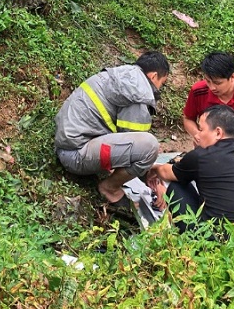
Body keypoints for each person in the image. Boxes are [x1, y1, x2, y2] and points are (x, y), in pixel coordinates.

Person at [55, 51, 170, 210]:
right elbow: (137, 146)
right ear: (153, 76)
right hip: (76, 155)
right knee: (150, 146)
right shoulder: (139, 91)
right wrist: (152, 176)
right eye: (161, 83)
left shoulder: (122, 75)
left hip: (68, 144)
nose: (159, 88)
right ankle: (109, 188)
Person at [147, 105, 234, 233]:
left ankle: (190, 238)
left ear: (218, 133)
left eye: (201, 130)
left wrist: (154, 169)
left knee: (177, 184)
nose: (197, 135)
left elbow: (165, 172)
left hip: (216, 239)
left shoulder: (201, 156)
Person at [183, 51, 234, 148]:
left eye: (217, 83)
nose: (212, 87)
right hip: (207, 150)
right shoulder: (198, 91)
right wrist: (198, 135)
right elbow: (188, 118)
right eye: (208, 81)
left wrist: (223, 140)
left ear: (232, 77)